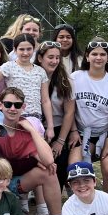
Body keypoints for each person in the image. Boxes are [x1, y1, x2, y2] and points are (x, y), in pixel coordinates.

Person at [0, 87, 61, 215]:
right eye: (8, 104)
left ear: (23, 107)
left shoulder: (25, 127)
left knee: (48, 171)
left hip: (14, 184)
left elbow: (48, 160)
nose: (12, 108)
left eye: (17, 105)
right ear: (0, 105)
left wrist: (32, 130)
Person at [71, 38, 108, 191]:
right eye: (94, 54)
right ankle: (81, 201)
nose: (98, 57)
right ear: (87, 57)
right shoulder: (75, 77)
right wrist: (73, 131)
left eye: (103, 54)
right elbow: (69, 110)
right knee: (75, 167)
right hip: (83, 131)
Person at [0, 34, 54, 140]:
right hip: (14, 118)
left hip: (35, 120)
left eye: (29, 49)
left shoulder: (40, 71)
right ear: (15, 50)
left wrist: (50, 126)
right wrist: (5, 102)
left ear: (34, 49)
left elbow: (45, 100)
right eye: (21, 49)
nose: (25, 53)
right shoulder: (9, 67)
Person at [36, 39, 80, 187]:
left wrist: (60, 141)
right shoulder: (32, 76)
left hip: (59, 126)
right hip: (37, 127)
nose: (54, 61)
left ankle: (57, 194)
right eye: (50, 57)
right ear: (40, 58)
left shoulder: (65, 80)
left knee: (59, 163)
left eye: (57, 57)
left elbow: (69, 112)